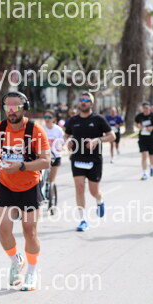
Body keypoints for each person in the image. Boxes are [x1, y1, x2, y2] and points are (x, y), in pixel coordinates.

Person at [0, 91, 50, 291]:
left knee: (29, 231)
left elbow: (46, 161)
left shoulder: (35, 130)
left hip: (29, 186)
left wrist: (21, 166)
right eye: (8, 107)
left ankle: (32, 271)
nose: (11, 111)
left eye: (16, 107)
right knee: (3, 230)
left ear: (24, 108)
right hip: (5, 185)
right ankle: (16, 260)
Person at [64, 92, 115, 232]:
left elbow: (112, 136)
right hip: (77, 158)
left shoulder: (99, 119)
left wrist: (97, 140)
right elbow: (66, 135)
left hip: (94, 160)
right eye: (81, 100)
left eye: (86, 100)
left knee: (94, 191)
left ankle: (99, 200)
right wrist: (68, 141)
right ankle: (83, 220)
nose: (83, 102)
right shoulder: (73, 120)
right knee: (79, 188)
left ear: (91, 104)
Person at [135, 102, 153, 180]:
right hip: (142, 138)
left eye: (147, 108)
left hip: (152, 138)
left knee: (151, 156)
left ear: (149, 108)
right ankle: (144, 172)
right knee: (144, 155)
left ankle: (151, 167)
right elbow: (136, 123)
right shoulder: (139, 116)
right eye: (144, 108)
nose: (145, 109)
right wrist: (138, 126)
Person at [43, 109, 64, 187]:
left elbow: (63, 141)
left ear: (54, 119)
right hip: (44, 157)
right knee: (41, 179)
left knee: (51, 180)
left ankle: (51, 192)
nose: (47, 119)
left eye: (49, 117)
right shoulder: (41, 129)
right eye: (45, 117)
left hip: (55, 156)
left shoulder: (58, 130)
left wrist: (60, 147)